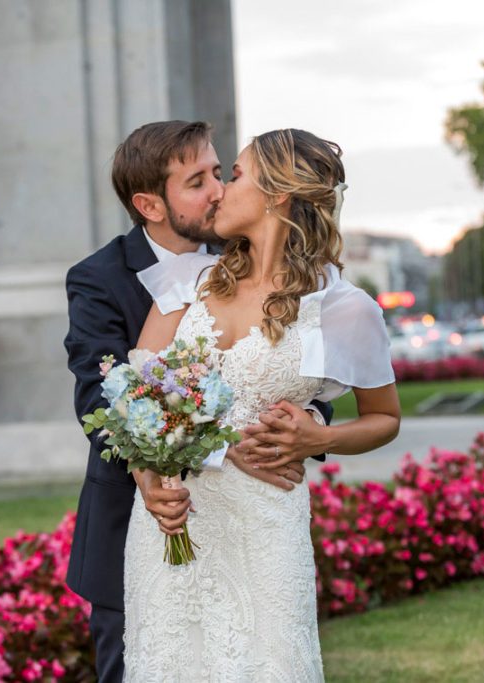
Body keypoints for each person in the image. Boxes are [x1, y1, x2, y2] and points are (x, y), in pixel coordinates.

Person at [123, 129, 401, 681]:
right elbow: (138, 404)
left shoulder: (342, 308)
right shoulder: (188, 282)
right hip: (172, 530)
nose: (221, 189)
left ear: (276, 193)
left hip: (266, 534)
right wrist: (149, 483)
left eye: (236, 174)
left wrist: (319, 438)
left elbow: (385, 418)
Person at [63, 121, 333, 683]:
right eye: (196, 181)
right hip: (136, 530)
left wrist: (306, 420)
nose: (217, 190)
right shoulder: (98, 279)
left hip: (248, 533)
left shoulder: (250, 254)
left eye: (219, 172)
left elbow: (293, 368)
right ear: (149, 204)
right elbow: (104, 401)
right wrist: (202, 449)